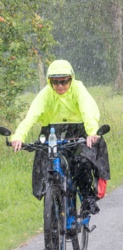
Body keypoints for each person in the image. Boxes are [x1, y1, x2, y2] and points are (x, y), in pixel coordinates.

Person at [11, 59, 110, 214]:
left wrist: (92, 132)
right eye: (55, 82)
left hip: (80, 131)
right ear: (50, 82)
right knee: (46, 163)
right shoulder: (46, 93)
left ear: (71, 79)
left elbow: (88, 111)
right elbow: (31, 116)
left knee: (82, 161)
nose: (60, 86)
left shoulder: (78, 89)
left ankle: (87, 197)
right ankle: (52, 196)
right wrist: (19, 136)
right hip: (52, 133)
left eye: (64, 81)